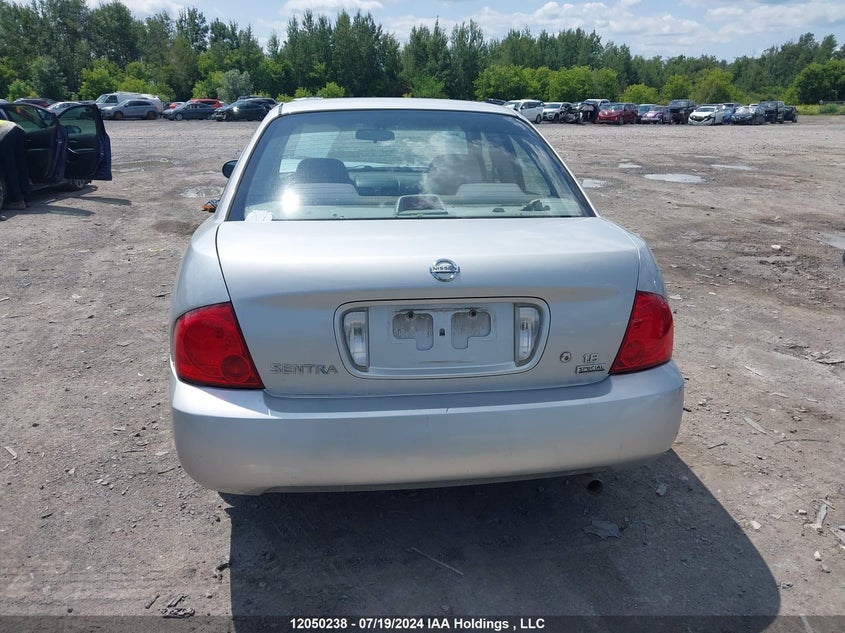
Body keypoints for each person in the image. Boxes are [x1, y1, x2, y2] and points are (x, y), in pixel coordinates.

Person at [0, 118, 30, 210]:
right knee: (20, 166)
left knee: (9, 168)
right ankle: (26, 199)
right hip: (17, 128)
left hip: (5, 132)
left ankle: (17, 200)